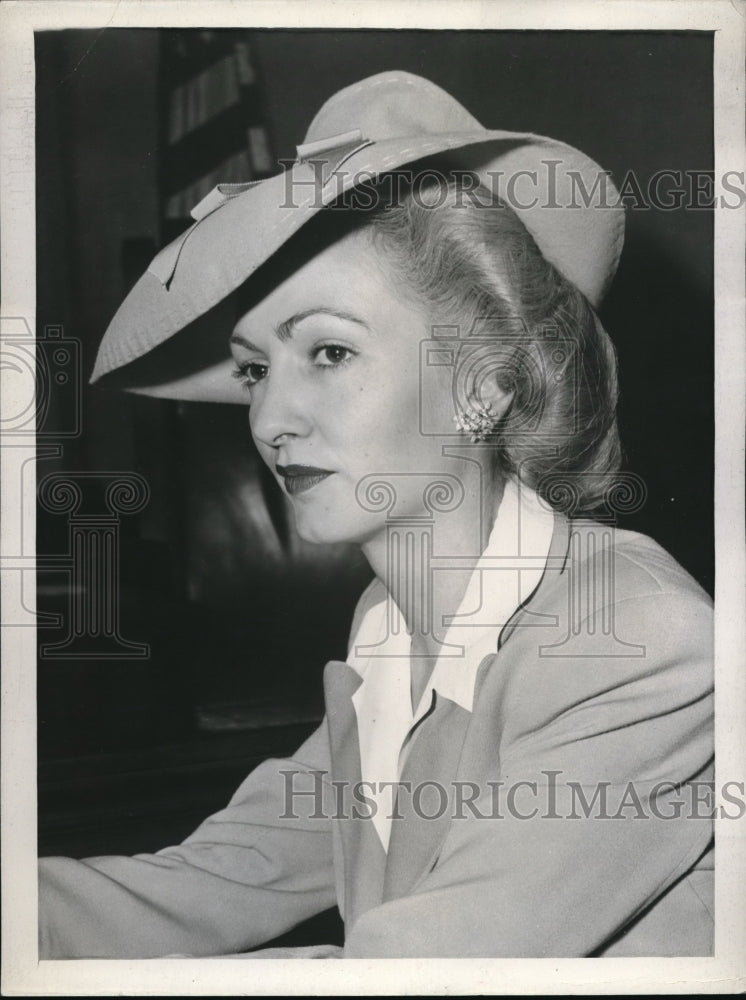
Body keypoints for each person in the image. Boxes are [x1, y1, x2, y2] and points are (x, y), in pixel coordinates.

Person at [38, 71, 714, 959]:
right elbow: (217, 877)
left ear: (485, 384)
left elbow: (422, 967)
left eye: (329, 351)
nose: (270, 421)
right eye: (254, 370)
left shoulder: (635, 637)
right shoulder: (390, 630)